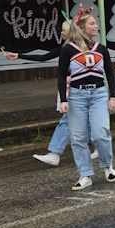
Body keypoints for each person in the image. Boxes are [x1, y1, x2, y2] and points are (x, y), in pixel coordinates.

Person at [57, 9, 115, 190]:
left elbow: (110, 74)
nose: (96, 26)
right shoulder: (67, 49)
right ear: (82, 27)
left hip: (99, 94)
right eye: (92, 23)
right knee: (78, 138)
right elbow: (61, 76)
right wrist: (63, 99)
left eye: (96, 23)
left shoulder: (101, 49)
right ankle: (85, 174)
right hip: (76, 96)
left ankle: (107, 165)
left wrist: (113, 96)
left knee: (101, 133)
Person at [30, 21, 98, 167]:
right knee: (71, 120)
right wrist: (18, 55)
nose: (61, 33)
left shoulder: (87, 47)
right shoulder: (65, 49)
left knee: (73, 120)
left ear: (72, 32)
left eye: (64, 30)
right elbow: (44, 58)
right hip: (73, 90)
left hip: (88, 89)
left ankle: (57, 153)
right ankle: (56, 153)